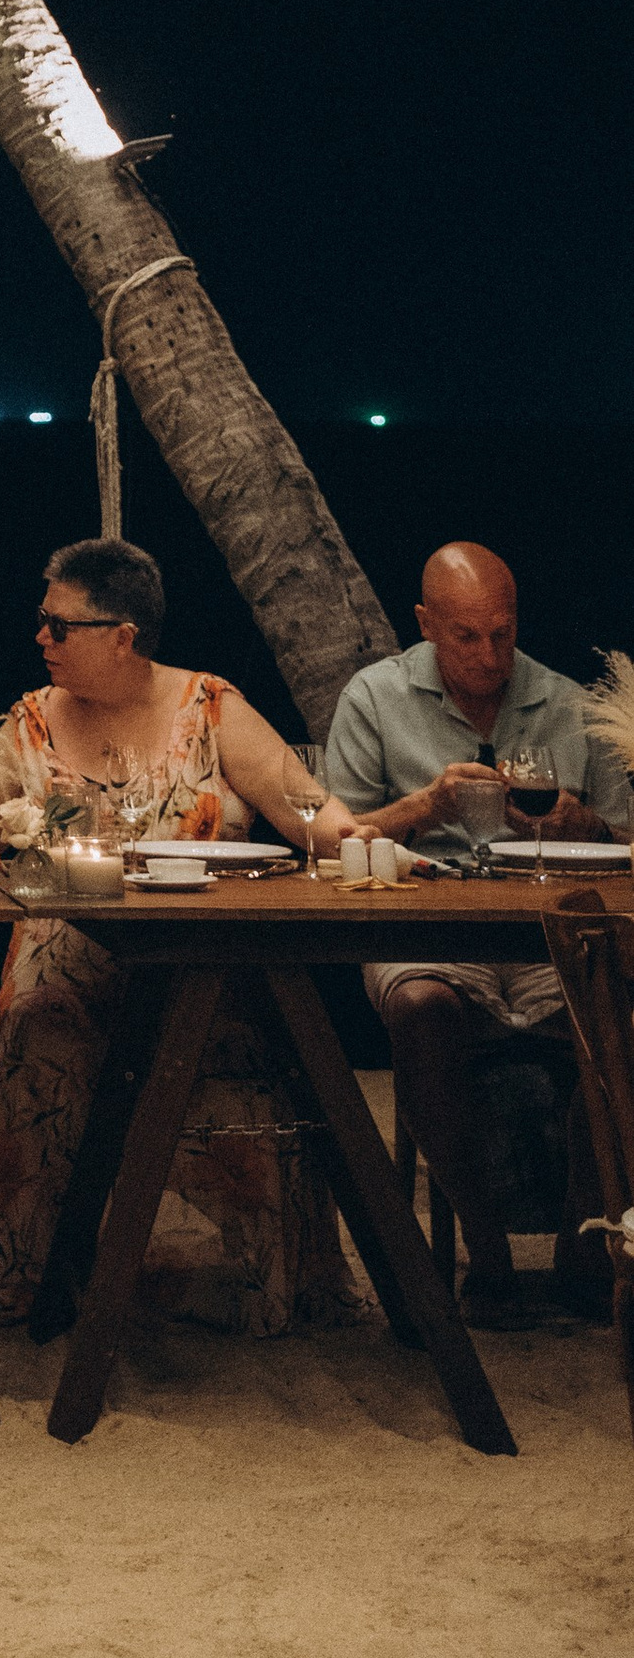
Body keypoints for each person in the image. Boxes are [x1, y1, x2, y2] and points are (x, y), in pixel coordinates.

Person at [0, 534, 361, 1333]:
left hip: (198, 958)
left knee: (237, 1037)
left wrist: (397, 833)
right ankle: (29, 1274)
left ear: (122, 636)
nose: (40, 637)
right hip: (66, 955)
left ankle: (256, 1282)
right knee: (43, 1028)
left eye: (58, 624)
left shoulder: (211, 708)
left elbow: (321, 822)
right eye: (41, 620)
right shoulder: (32, 720)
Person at [324, 540, 630, 1321]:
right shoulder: (374, 697)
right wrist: (426, 807)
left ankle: (584, 1245)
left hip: (544, 932)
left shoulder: (567, 702)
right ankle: (485, 1254)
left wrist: (582, 821)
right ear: (426, 622)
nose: (491, 653)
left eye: (504, 630)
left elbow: (626, 847)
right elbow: (336, 840)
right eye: (467, 635)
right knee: (421, 1006)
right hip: (427, 930)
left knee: (621, 1015)